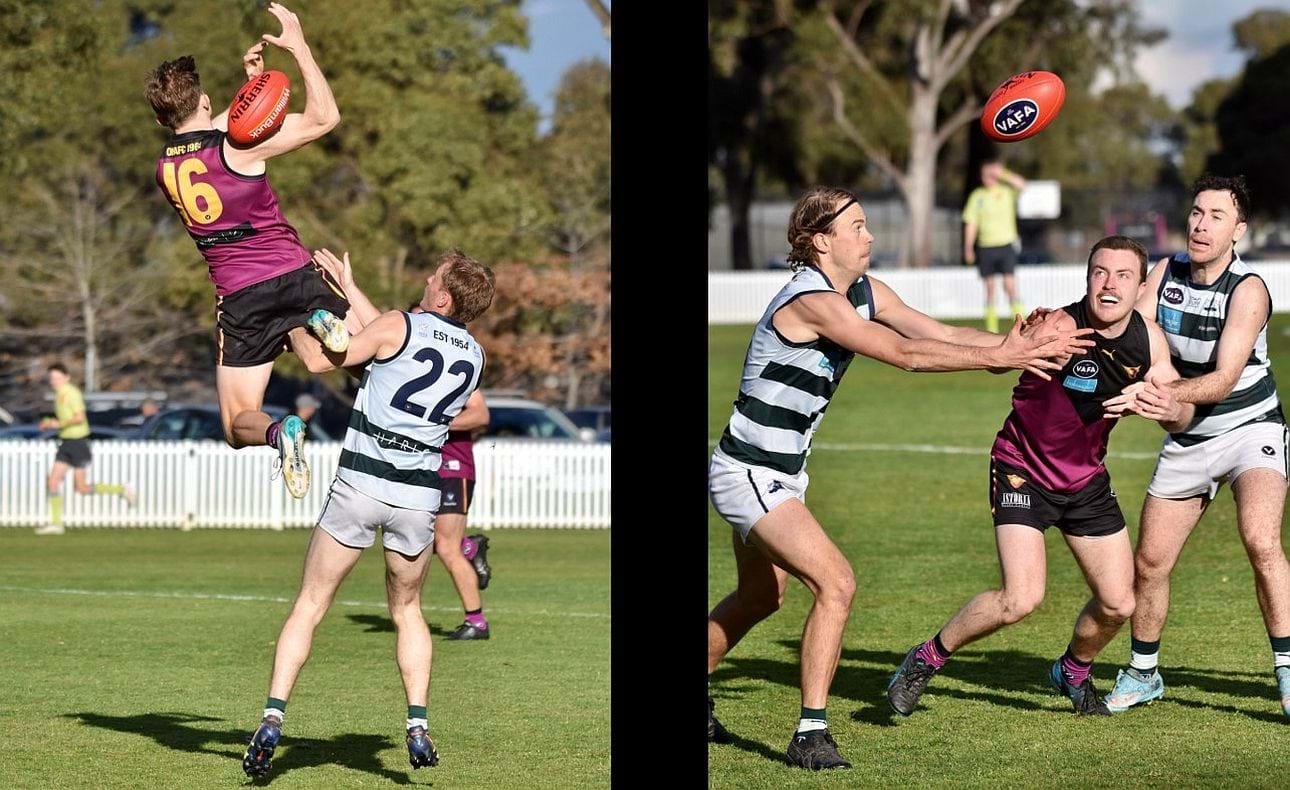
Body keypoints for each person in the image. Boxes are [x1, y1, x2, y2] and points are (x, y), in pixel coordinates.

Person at [706, 186, 1095, 770]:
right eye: (856, 227)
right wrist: (1004, 358)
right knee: (836, 583)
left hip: (782, 474)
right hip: (749, 472)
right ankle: (810, 733)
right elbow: (905, 355)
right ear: (820, 241)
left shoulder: (864, 291)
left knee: (763, 596)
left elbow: (936, 334)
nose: (869, 236)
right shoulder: (812, 301)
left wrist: (1014, 346)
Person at [887, 236, 1186, 718]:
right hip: (1022, 468)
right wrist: (1019, 344)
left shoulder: (1148, 340)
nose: (1109, 285)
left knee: (1118, 604)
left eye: (1123, 275)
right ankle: (925, 660)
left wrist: (1160, 406)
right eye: (1100, 273)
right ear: (1087, 277)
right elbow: (986, 349)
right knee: (1020, 598)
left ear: (1141, 285)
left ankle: (1072, 669)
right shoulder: (1059, 328)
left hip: (1084, 479)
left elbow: (1178, 410)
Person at [241, 250, 496, 778]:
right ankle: (418, 725)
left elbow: (330, 357)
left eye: (435, 278)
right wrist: (351, 287)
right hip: (418, 496)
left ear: (443, 295)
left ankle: (271, 718)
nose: (426, 279)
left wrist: (290, 318)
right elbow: (395, 340)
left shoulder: (399, 324)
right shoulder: (474, 355)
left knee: (310, 604)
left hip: (361, 482)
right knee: (408, 612)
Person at [1101, 175, 1290, 717]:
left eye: (1216, 216)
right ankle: (1143, 672)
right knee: (1151, 562)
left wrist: (1158, 392)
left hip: (1251, 430)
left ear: (1239, 231)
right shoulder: (1166, 272)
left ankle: (1286, 669)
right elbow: (1126, 327)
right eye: (1197, 212)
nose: (1201, 224)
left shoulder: (1247, 288)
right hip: (1189, 438)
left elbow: (1224, 378)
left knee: (1260, 538)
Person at [145, 2, 350, 499]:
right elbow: (325, 118)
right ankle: (316, 322)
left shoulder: (164, 169)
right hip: (294, 274)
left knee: (237, 426)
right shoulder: (239, 147)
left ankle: (282, 433)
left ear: (160, 117)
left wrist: (253, 91)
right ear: (207, 100)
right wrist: (296, 46)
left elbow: (206, 140)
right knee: (328, 360)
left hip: (240, 298)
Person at [407, 301, 495, 637]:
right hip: (426, 463)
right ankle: (470, 548)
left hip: (452, 464)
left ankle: (477, 622)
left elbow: (480, 415)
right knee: (418, 538)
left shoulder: (454, 367)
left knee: (445, 546)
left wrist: (436, 423)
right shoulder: (409, 369)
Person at [35, 364, 136, 536]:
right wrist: (49, 422)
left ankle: (121, 490)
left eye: (57, 378)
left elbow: (79, 417)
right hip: (66, 442)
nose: (54, 381)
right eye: (52, 378)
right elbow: (64, 418)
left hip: (78, 442)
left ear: (67, 377)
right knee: (52, 482)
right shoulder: (59, 395)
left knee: (81, 488)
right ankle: (57, 524)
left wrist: (57, 424)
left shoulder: (72, 393)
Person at [963, 159, 1027, 333]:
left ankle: (1022, 325)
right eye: (984, 175)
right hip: (986, 246)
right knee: (990, 288)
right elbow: (971, 223)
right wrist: (968, 247)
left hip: (1006, 244)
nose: (987, 178)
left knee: (1010, 286)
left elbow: (1022, 185)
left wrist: (1003, 173)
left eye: (990, 175)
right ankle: (992, 330)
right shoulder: (977, 196)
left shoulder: (1006, 192)